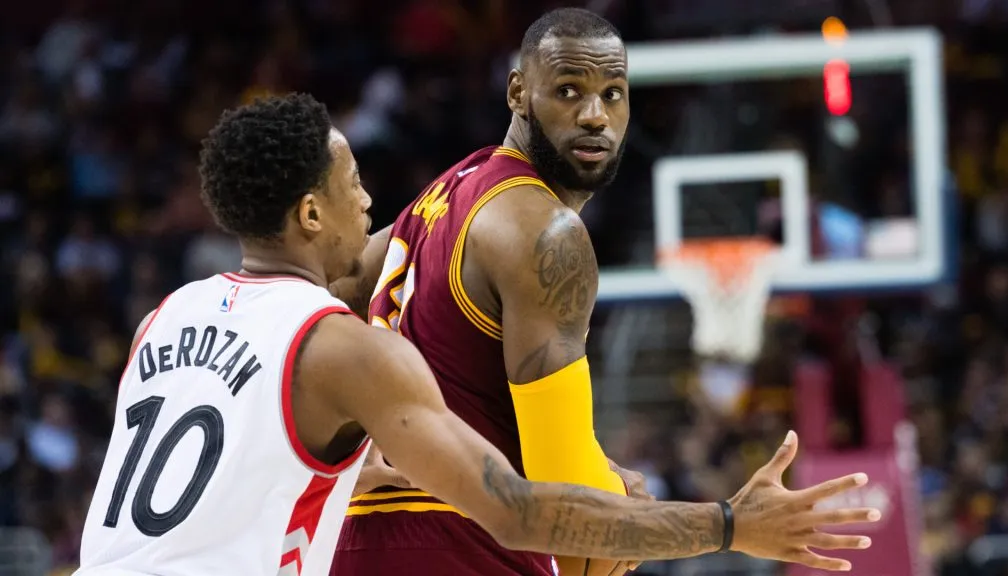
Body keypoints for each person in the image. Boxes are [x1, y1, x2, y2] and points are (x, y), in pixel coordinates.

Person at [74, 94, 877, 576]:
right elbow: (516, 514)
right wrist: (728, 524)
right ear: (311, 213)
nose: (369, 204)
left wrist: (594, 480)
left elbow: (251, 477)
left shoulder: (162, 320)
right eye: (354, 186)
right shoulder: (346, 349)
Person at [333, 8, 877, 576]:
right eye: (568, 90)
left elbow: (312, 292)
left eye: (612, 94)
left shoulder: (445, 195)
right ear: (518, 92)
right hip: (462, 551)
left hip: (357, 547)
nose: (595, 116)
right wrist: (722, 522)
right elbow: (570, 525)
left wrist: (339, 450)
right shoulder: (544, 230)